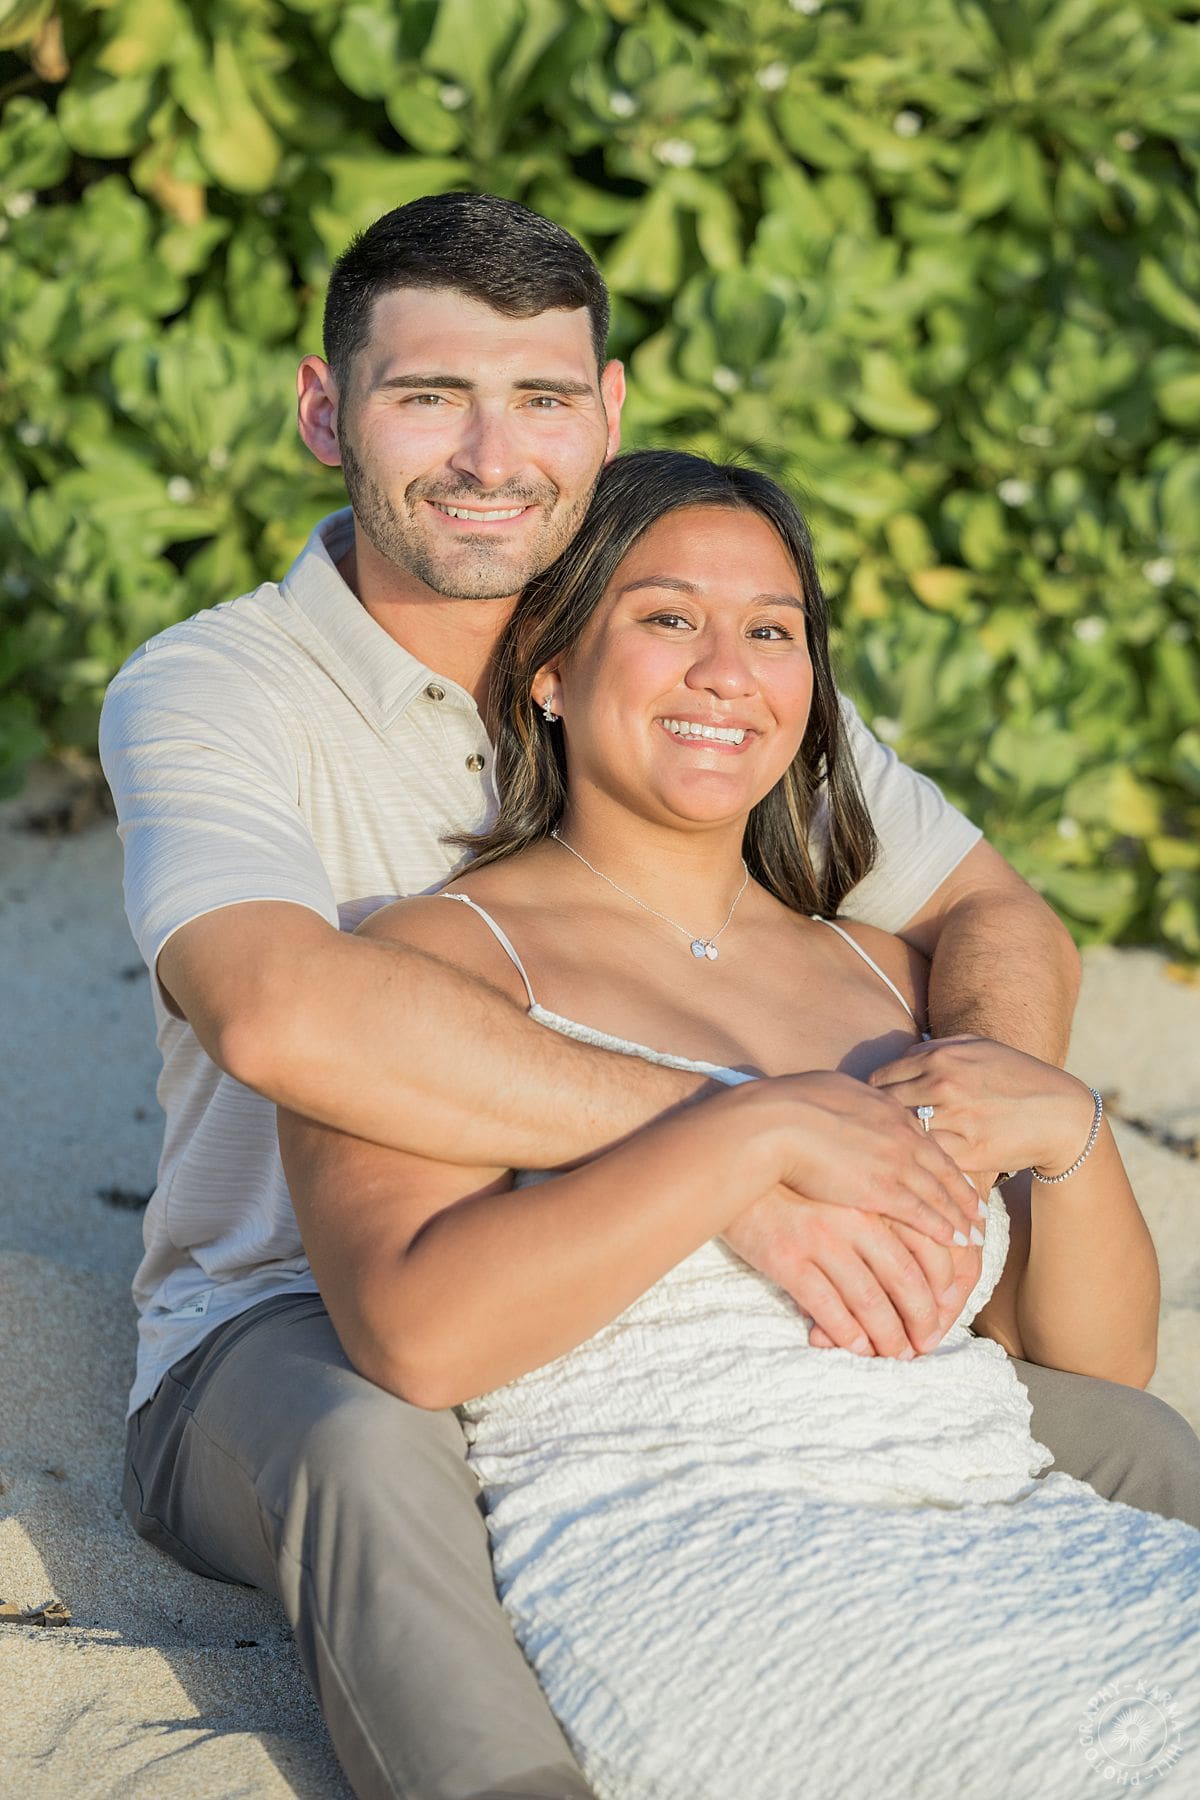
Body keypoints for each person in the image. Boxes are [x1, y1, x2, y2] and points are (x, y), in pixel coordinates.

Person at [98, 194, 1199, 1800]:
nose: (491, 456)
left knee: (1128, 1446)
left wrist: (953, 1152)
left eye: (542, 398)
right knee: (371, 1447)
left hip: (722, 1326)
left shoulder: (693, 669)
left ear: (606, 415)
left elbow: (990, 911)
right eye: (429, 396)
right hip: (292, 1311)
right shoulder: (218, 686)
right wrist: (750, 1144)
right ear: (328, 410)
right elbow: (279, 1014)